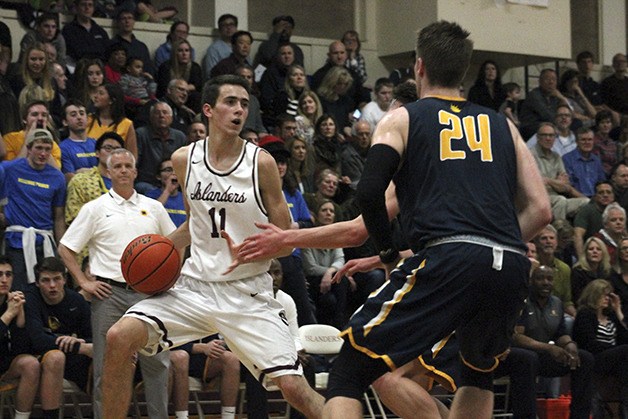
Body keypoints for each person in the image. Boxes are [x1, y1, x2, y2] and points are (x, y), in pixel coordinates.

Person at [313, 21, 551, 418]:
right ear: (465, 71)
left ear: (419, 67)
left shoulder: (403, 118)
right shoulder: (504, 125)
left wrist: (388, 253)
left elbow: (369, 192)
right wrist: (495, 242)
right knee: (478, 374)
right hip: (510, 263)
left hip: (449, 258)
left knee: (348, 375)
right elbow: (542, 210)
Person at [99, 74, 325, 418]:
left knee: (295, 389)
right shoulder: (183, 160)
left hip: (247, 293)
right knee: (118, 337)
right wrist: (161, 249)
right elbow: (197, 223)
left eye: (244, 104)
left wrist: (264, 247)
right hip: (195, 287)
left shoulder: (261, 163)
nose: (238, 110)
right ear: (208, 109)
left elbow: (285, 239)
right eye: (230, 102)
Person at [58, 148, 176, 419]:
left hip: (150, 296)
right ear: (108, 172)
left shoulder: (155, 207)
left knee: (157, 364)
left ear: (135, 172)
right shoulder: (95, 208)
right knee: (107, 368)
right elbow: (66, 248)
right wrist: (83, 281)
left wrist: (171, 278)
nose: (123, 170)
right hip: (109, 294)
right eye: (118, 166)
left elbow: (174, 244)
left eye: (128, 166)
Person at [505, 265, 594, 419]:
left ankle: (580, 415)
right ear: (531, 281)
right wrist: (548, 348)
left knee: (585, 358)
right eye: (540, 278)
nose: (545, 282)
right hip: (521, 354)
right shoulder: (523, 301)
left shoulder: (557, 303)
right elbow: (517, 337)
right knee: (528, 359)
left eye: (549, 279)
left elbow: (560, 334)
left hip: (545, 354)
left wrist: (569, 345)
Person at [24, 257, 93, 418]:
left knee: (102, 357)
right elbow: (38, 340)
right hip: (34, 357)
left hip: (71, 355)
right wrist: (79, 346)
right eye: (46, 280)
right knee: (56, 357)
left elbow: (91, 340)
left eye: (57, 279)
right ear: (37, 283)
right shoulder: (31, 297)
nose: (52, 285)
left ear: (64, 279)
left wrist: (78, 342)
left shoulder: (77, 300)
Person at [2, 129, 66, 290]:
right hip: (17, 242)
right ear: (28, 148)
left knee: (46, 290)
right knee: (18, 291)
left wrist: (62, 250)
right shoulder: (9, 169)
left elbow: (58, 216)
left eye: (47, 149)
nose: (43, 153)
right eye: (38, 148)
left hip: (44, 242)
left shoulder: (57, 177)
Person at [573, 279, 628, 417]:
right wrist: (615, 349)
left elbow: (625, 337)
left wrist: (618, 310)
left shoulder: (611, 316)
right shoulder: (585, 314)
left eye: (609, 296)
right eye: (604, 295)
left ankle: (624, 408)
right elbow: (589, 343)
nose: (607, 299)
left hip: (615, 359)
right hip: (594, 358)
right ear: (594, 295)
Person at [0, 256, 41, 419]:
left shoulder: (12, 302)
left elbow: (21, 348)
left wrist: (20, 314)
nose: (4, 280)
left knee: (30, 363)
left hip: (4, 366)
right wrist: (9, 314)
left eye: (8, 274)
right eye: (0, 274)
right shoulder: (9, 309)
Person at [302, 200, 350, 329]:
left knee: (341, 281)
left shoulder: (337, 236)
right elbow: (311, 268)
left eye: (331, 211)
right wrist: (332, 271)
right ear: (317, 215)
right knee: (329, 298)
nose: (328, 213)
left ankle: (340, 325)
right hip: (312, 281)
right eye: (324, 210)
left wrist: (329, 273)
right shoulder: (307, 237)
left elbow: (340, 260)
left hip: (331, 279)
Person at [529, 122, 589, 220]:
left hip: (556, 198)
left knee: (585, 202)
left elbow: (565, 186)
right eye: (544, 135)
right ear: (537, 137)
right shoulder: (530, 155)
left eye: (551, 135)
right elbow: (535, 184)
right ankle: (559, 230)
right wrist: (556, 182)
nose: (548, 138)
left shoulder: (556, 156)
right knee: (560, 201)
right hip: (537, 200)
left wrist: (548, 181)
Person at [134, 101, 187, 193]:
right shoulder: (141, 134)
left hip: (174, 182)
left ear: (171, 117)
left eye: (165, 113)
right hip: (147, 181)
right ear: (151, 117)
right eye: (157, 113)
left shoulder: (180, 136)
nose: (161, 116)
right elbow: (135, 161)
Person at [3, 100, 61, 167]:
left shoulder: (53, 145)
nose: (40, 118)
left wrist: (44, 138)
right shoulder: (10, 139)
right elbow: (12, 169)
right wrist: (29, 139)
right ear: (24, 120)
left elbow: (56, 172)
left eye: (44, 115)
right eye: (35, 114)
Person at [87, 83, 138, 158]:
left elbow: (132, 156)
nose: (95, 96)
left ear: (111, 100)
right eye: (96, 93)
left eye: (101, 93)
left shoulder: (126, 124)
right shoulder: (88, 119)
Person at [535, 225, 576, 317]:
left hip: (555, 312)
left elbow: (566, 301)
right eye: (544, 238)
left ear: (556, 243)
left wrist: (575, 315)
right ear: (537, 243)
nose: (548, 241)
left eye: (552, 238)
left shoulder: (564, 269)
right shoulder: (531, 265)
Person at [519, 68, 568, 140]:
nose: (551, 82)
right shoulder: (534, 95)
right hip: (531, 128)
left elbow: (568, 113)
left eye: (554, 79)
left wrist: (562, 99)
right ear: (540, 81)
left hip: (549, 126)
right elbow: (547, 116)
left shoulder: (555, 96)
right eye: (547, 79)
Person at [156, 39, 203, 112]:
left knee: (196, 97)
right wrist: (184, 88)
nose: (184, 53)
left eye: (187, 50)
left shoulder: (195, 67)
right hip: (169, 97)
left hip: (188, 98)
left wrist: (182, 89)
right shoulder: (165, 67)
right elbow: (164, 88)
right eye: (180, 50)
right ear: (175, 53)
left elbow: (198, 86)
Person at [574, 181, 615, 259]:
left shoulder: (617, 211)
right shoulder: (587, 210)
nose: (605, 195)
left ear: (613, 196)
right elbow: (577, 235)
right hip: (593, 253)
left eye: (608, 192)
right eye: (601, 192)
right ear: (595, 196)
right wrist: (581, 259)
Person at [62, 0, 110, 67]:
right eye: (83, 4)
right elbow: (70, 55)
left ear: (93, 9)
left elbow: (107, 54)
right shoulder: (68, 30)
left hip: (99, 70)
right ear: (77, 7)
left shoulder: (101, 31)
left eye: (90, 5)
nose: (87, 8)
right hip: (77, 70)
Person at [109, 9, 156, 77]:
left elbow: (148, 68)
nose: (127, 21)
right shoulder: (111, 44)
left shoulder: (141, 46)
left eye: (130, 18)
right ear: (118, 22)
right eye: (123, 18)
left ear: (134, 21)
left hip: (141, 83)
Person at [60, 100, 97, 182]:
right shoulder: (63, 148)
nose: (79, 117)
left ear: (87, 119)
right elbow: (70, 178)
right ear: (65, 122)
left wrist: (80, 172)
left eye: (82, 113)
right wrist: (96, 172)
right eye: (73, 115)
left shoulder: (97, 144)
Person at [562, 127, 606, 197]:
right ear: (576, 142)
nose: (587, 142)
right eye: (583, 140)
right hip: (577, 199)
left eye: (590, 140)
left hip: (597, 199)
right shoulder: (567, 159)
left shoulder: (596, 160)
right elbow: (569, 186)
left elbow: (602, 182)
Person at [571, 236, 612, 306]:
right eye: (591, 249)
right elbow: (577, 297)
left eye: (598, 249)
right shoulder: (578, 271)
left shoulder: (608, 272)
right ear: (586, 253)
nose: (595, 251)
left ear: (603, 253)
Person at [145, 158, 186, 227]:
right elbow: (151, 216)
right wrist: (167, 191)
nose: (173, 173)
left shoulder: (185, 198)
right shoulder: (151, 196)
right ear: (158, 176)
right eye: (168, 170)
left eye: (176, 169)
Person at [202, 13, 239, 80]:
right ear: (220, 29)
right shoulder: (214, 49)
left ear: (236, 28)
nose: (228, 27)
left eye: (231, 24)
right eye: (224, 25)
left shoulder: (240, 47)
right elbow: (210, 74)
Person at [592, 202, 626, 269]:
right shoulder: (596, 241)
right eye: (613, 220)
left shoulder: (625, 240)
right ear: (605, 224)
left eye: (621, 220)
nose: (618, 222)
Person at [341, 119, 371, 189]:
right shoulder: (347, 156)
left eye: (367, 134)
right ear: (354, 137)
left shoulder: (374, 152)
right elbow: (357, 183)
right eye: (361, 134)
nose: (364, 137)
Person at [592, 110, 617, 175]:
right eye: (602, 123)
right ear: (597, 125)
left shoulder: (611, 142)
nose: (605, 125)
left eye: (608, 122)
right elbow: (597, 164)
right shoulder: (593, 141)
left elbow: (615, 162)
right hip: (600, 174)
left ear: (612, 125)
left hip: (612, 174)